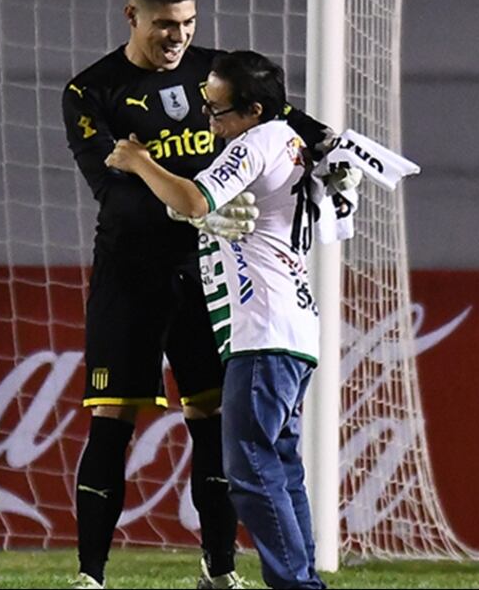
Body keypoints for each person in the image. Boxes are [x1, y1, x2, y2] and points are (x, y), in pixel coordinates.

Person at [62, 0, 333, 590]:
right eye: (162, 24)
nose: (176, 36)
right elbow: (114, 185)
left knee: (215, 425)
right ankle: (90, 576)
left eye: (186, 23)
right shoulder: (90, 90)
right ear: (132, 15)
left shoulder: (222, 79)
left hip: (212, 279)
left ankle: (219, 570)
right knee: (112, 420)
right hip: (131, 273)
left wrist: (331, 146)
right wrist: (202, 202)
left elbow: (286, 122)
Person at [105, 50, 329, 589]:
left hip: (264, 329)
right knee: (280, 464)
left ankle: (298, 586)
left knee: (249, 469)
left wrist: (137, 159)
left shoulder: (256, 141)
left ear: (253, 110)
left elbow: (196, 199)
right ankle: (303, 580)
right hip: (290, 326)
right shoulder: (288, 142)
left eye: (218, 111)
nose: (209, 121)